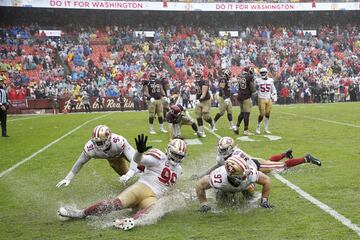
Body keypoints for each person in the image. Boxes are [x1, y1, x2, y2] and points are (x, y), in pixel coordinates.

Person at [58, 134, 187, 231]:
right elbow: (139, 160)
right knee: (115, 204)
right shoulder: (159, 156)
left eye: (179, 156)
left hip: (153, 196)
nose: (176, 158)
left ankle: (131, 221)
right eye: (175, 154)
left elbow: (169, 187)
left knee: (154, 208)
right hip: (142, 188)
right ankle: (80, 213)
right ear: (168, 149)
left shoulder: (179, 170)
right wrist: (139, 152)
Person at [196, 136, 321, 179]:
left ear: (230, 148)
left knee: (281, 166)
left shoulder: (236, 154)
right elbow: (217, 166)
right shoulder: (223, 155)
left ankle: (306, 158)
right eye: (221, 149)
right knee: (269, 161)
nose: (221, 151)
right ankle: (284, 154)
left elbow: (246, 170)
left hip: (256, 165)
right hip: (255, 160)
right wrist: (203, 175)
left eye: (224, 149)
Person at [56, 125, 138, 187]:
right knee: (125, 176)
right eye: (96, 142)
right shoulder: (90, 148)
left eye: (101, 142)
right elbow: (80, 162)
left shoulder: (118, 141)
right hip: (113, 159)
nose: (98, 144)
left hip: (122, 152)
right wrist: (68, 178)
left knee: (141, 166)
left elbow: (136, 158)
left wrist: (130, 173)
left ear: (109, 138)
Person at [195, 155, 273, 213]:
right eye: (242, 176)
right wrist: (204, 204)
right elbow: (199, 185)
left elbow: (267, 181)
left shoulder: (250, 173)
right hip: (225, 188)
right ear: (233, 176)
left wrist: (264, 201)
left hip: (245, 186)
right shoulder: (219, 178)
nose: (244, 177)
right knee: (222, 202)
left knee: (250, 194)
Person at [233, 67, 256, 135]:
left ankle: (237, 127)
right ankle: (246, 130)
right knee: (246, 114)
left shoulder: (240, 76)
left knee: (242, 113)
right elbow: (252, 78)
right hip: (246, 96)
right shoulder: (249, 76)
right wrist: (251, 72)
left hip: (240, 96)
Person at [255, 68, 277, 134]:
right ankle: (258, 127)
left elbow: (273, 89)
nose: (263, 74)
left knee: (267, 113)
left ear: (266, 73)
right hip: (261, 98)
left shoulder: (270, 80)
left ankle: (266, 128)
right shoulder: (257, 80)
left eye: (264, 72)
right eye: (262, 72)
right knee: (262, 114)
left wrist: (274, 96)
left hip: (268, 98)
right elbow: (254, 87)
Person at [194, 71, 215, 137]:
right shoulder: (196, 82)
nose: (197, 78)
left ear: (201, 76)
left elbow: (204, 92)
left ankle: (211, 122)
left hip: (206, 100)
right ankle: (201, 131)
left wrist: (199, 100)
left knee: (205, 115)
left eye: (198, 76)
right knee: (198, 116)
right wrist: (196, 99)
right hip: (199, 100)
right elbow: (197, 92)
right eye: (196, 76)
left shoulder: (205, 82)